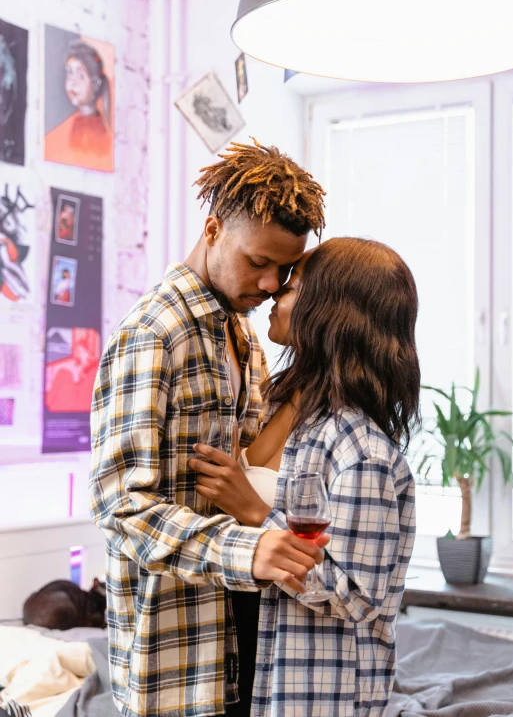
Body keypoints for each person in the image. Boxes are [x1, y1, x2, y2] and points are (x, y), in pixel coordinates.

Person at [89, 139, 327, 717]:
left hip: (245, 631)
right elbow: (123, 509)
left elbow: (252, 470)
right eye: (257, 262)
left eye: (283, 270)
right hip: (174, 658)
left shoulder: (245, 336)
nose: (271, 284)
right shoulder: (152, 334)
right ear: (214, 227)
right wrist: (247, 551)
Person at [189, 237, 420, 716]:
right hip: (253, 657)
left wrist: (252, 512)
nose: (276, 292)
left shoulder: (361, 451)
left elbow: (356, 595)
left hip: (314, 688)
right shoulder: (274, 398)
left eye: (293, 285)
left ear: (330, 311)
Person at [45, 40, 113, 172]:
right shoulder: (61, 132)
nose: (73, 83)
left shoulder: (100, 133)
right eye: (70, 73)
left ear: (96, 83)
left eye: (81, 75)